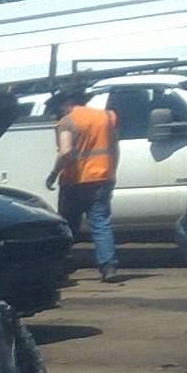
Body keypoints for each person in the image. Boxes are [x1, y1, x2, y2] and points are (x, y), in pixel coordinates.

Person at [46, 87, 121, 282]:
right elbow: (115, 147)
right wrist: (111, 171)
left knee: (68, 224)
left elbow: (65, 152)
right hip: (103, 177)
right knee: (101, 222)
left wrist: (54, 174)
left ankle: (61, 265)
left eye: (58, 108)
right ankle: (108, 268)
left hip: (75, 181)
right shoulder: (106, 117)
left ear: (66, 104)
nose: (58, 112)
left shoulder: (67, 121)